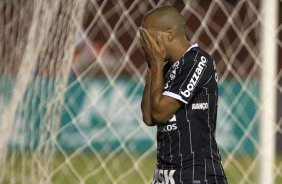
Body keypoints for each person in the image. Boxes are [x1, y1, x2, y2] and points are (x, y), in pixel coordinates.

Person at [140, 5, 227, 184]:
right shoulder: (165, 68)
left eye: (149, 37)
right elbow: (149, 117)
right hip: (165, 175)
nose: (145, 44)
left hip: (195, 174)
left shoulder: (197, 61)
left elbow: (160, 113)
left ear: (170, 34)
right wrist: (152, 66)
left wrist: (155, 63)